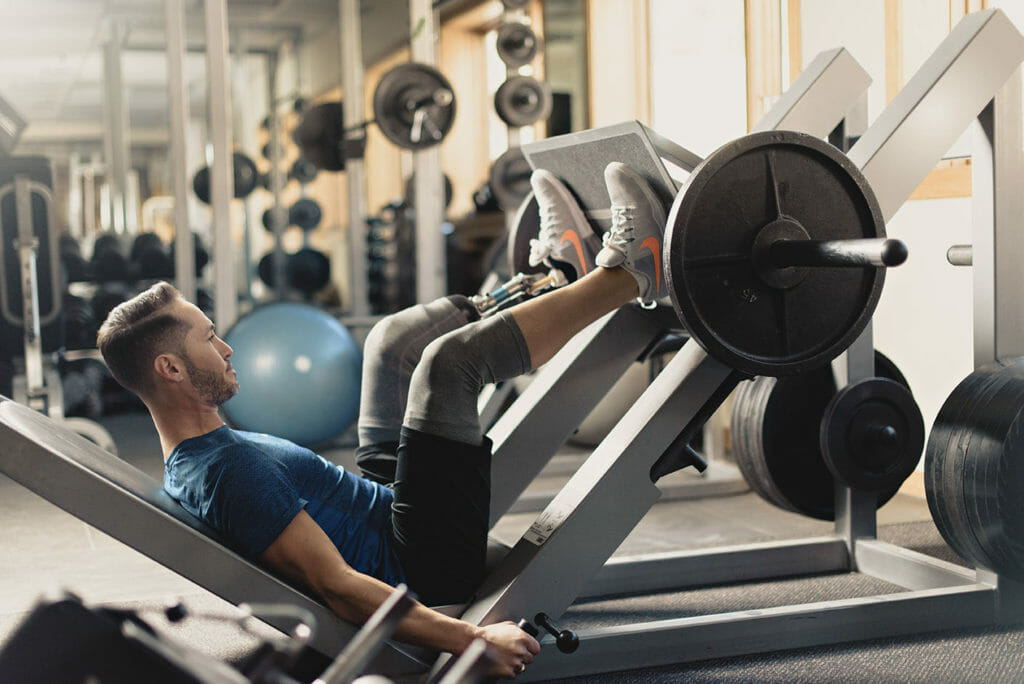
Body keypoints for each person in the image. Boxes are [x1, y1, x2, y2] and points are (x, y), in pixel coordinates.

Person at [96, 161, 667, 679]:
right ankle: (632, 273)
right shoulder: (228, 472)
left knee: (390, 345)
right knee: (449, 366)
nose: (227, 348)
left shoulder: (199, 453)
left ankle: (555, 280)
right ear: (170, 367)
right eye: (209, 338)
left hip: (387, 509)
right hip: (422, 563)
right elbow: (336, 589)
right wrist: (473, 639)